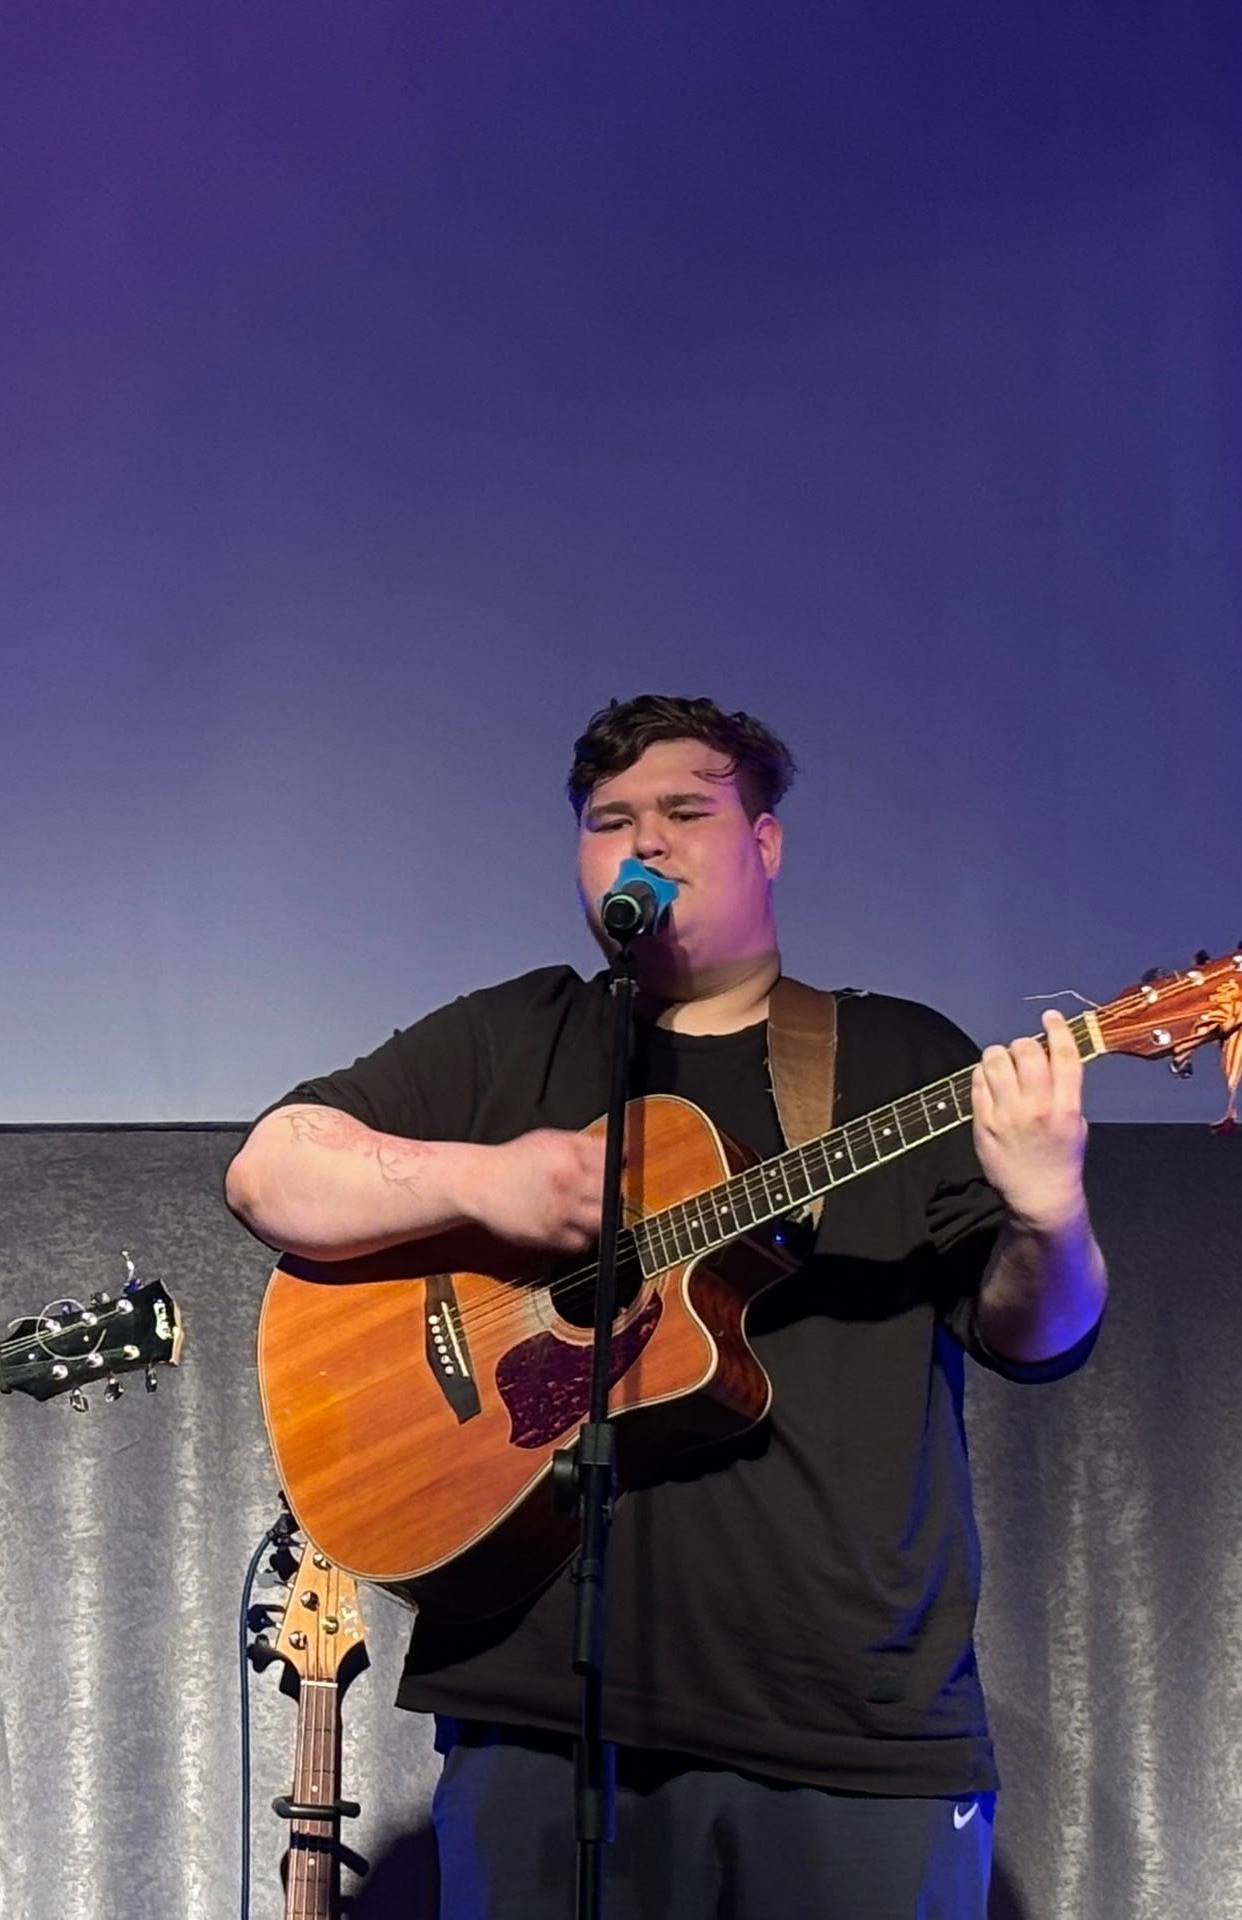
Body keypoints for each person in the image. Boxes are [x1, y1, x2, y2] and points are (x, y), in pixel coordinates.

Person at [224, 695, 1105, 1919]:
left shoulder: (898, 1059)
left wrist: (1049, 1209)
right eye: (609, 820)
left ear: (765, 842)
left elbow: (1037, 1335)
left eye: (687, 810)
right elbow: (269, 1171)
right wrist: (486, 1181)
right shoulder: (512, 1036)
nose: (646, 840)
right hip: (538, 1715)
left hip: (849, 1730)